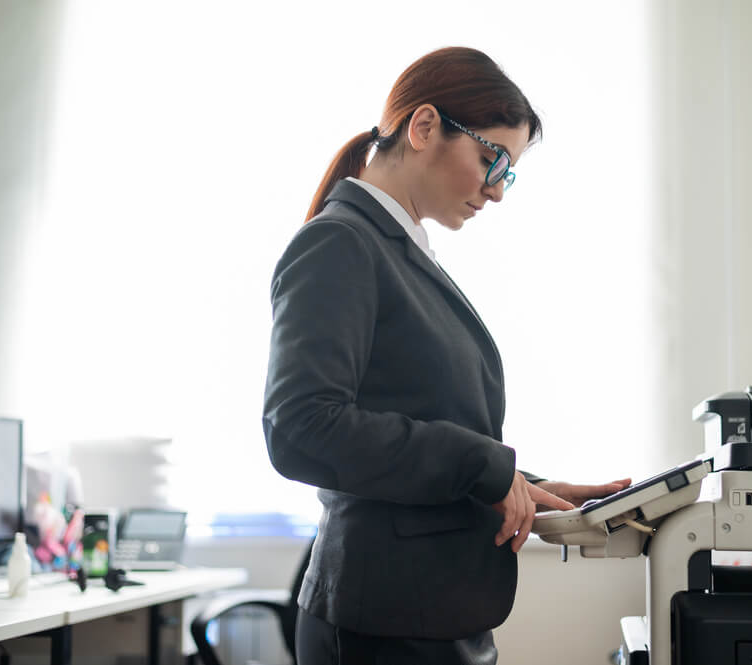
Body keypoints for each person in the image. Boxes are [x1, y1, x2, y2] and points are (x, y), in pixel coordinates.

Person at [262, 46, 630, 665]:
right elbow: (300, 429)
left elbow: (426, 424)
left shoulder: (400, 251)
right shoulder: (339, 244)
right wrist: (486, 467)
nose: (497, 190)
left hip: (429, 612)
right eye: (493, 158)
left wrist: (523, 485)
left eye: (507, 172)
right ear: (425, 126)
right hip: (384, 621)